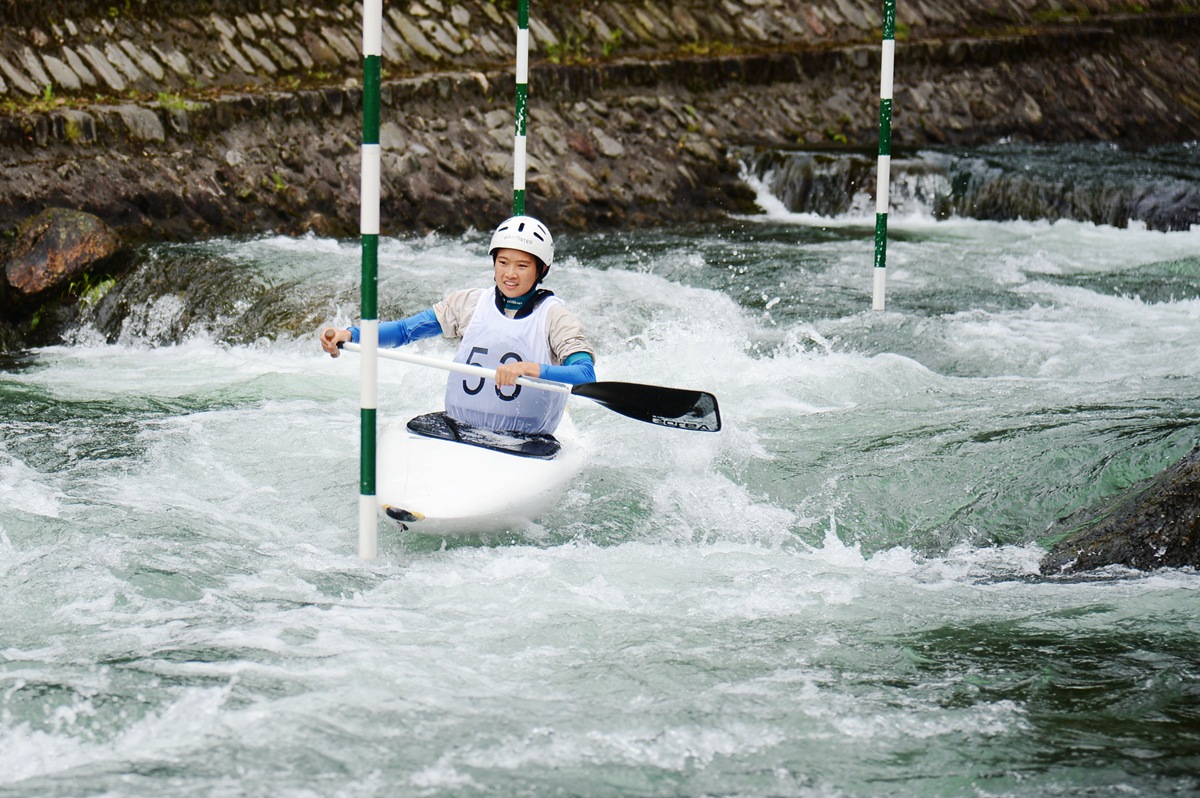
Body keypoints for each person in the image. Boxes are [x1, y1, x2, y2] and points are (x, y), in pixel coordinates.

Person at [320, 215, 595, 436]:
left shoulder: (556, 318)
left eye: (522, 265)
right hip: (459, 428)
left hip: (527, 439)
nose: (510, 274)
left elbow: (584, 374)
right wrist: (352, 334)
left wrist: (530, 369)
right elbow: (405, 331)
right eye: (503, 262)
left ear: (541, 270)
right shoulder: (469, 303)